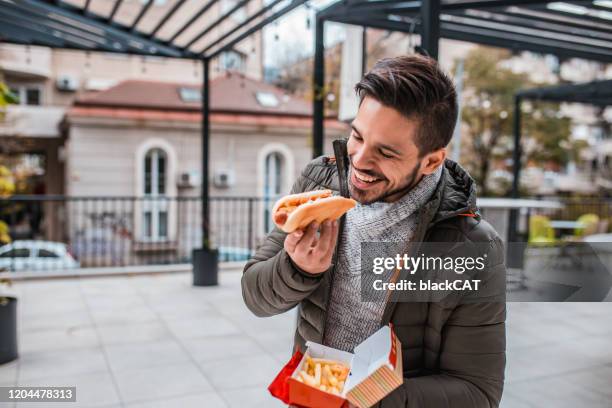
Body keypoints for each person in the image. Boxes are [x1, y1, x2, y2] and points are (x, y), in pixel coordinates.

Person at [242, 54, 506, 407]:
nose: (360, 161)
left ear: (431, 160)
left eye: (385, 152)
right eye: (357, 135)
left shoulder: (471, 247)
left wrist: (365, 400)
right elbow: (254, 296)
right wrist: (297, 269)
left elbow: (477, 393)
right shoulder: (318, 181)